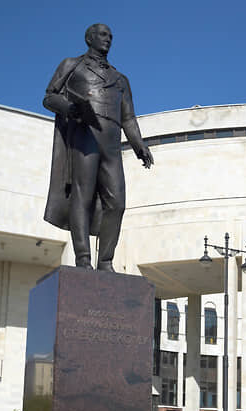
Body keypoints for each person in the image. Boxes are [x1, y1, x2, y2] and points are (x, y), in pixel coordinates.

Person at [43, 23, 155, 271]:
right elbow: (49, 97)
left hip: (112, 143)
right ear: (89, 38)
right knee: (82, 196)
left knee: (117, 203)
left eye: (111, 36)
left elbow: (128, 118)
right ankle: (83, 258)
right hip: (85, 135)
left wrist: (139, 145)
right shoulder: (72, 65)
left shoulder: (121, 79)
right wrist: (71, 109)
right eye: (103, 35)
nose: (108, 39)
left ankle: (105, 261)